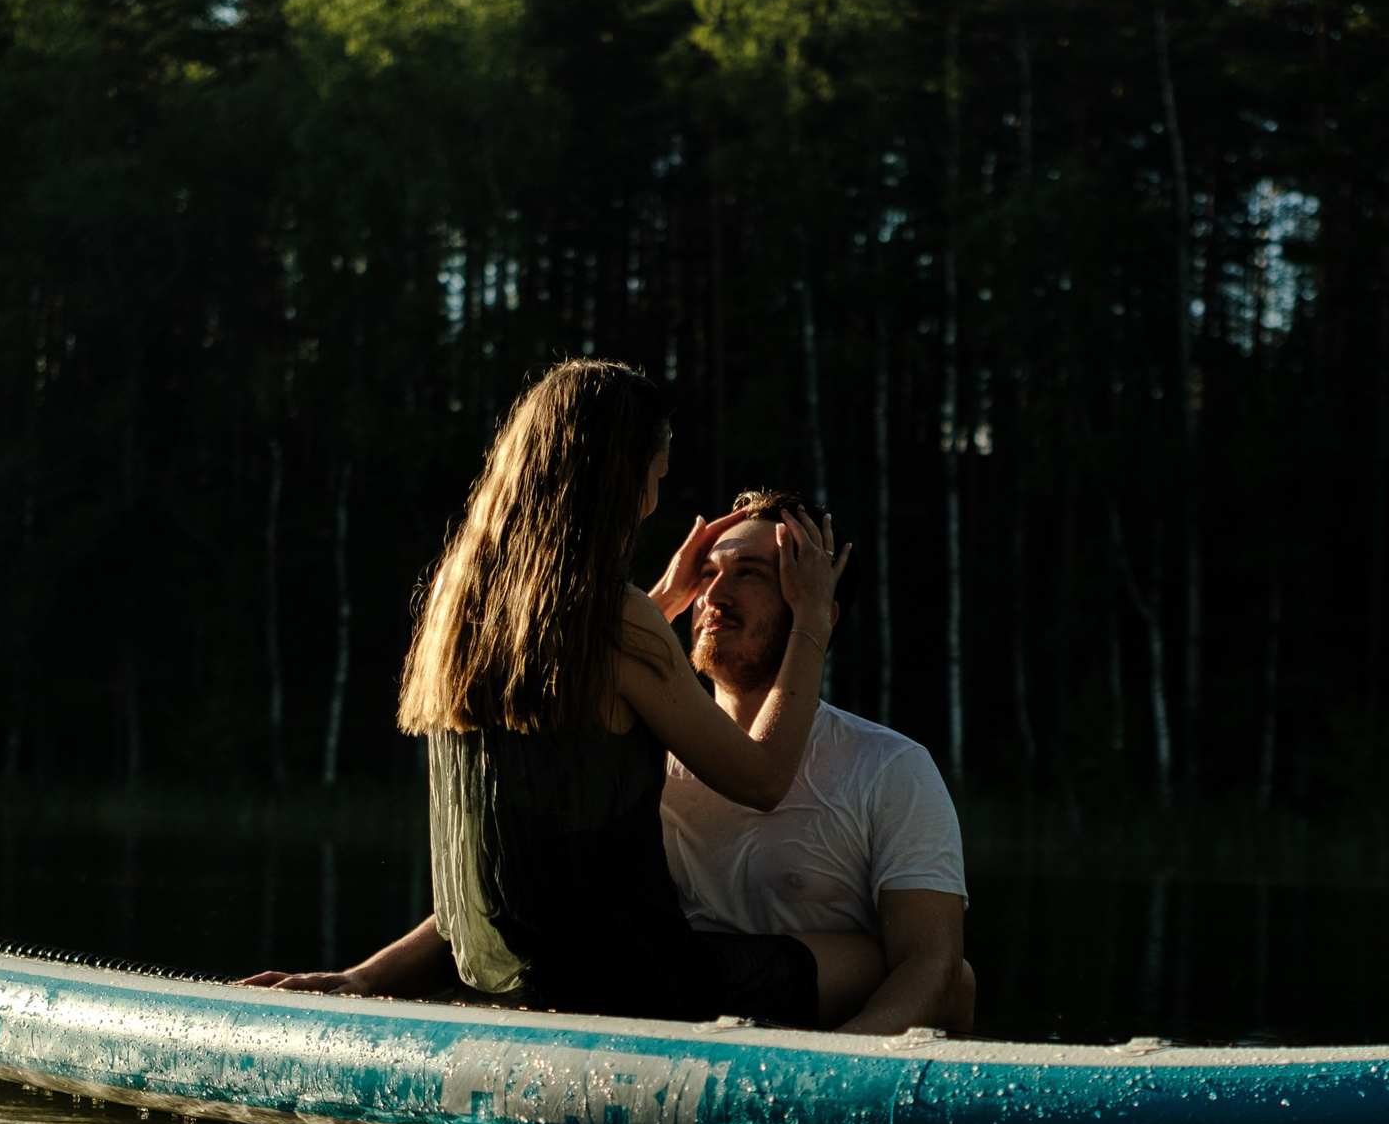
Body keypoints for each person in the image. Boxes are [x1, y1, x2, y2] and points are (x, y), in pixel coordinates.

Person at [239, 359, 870, 1026]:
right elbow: (766, 775)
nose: (653, 502)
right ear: (622, 479)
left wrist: (364, 977)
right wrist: (811, 620)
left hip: (494, 977)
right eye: (654, 478)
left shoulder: (461, 607)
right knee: (878, 960)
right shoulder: (616, 622)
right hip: (627, 986)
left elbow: (524, 839)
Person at [660, 490, 974, 1035]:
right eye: (705, 573)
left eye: (751, 574)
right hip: (673, 1028)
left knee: (954, 976)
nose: (714, 594)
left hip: (823, 1062)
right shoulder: (639, 751)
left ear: (816, 611)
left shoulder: (889, 768)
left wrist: (825, 1075)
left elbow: (932, 968)